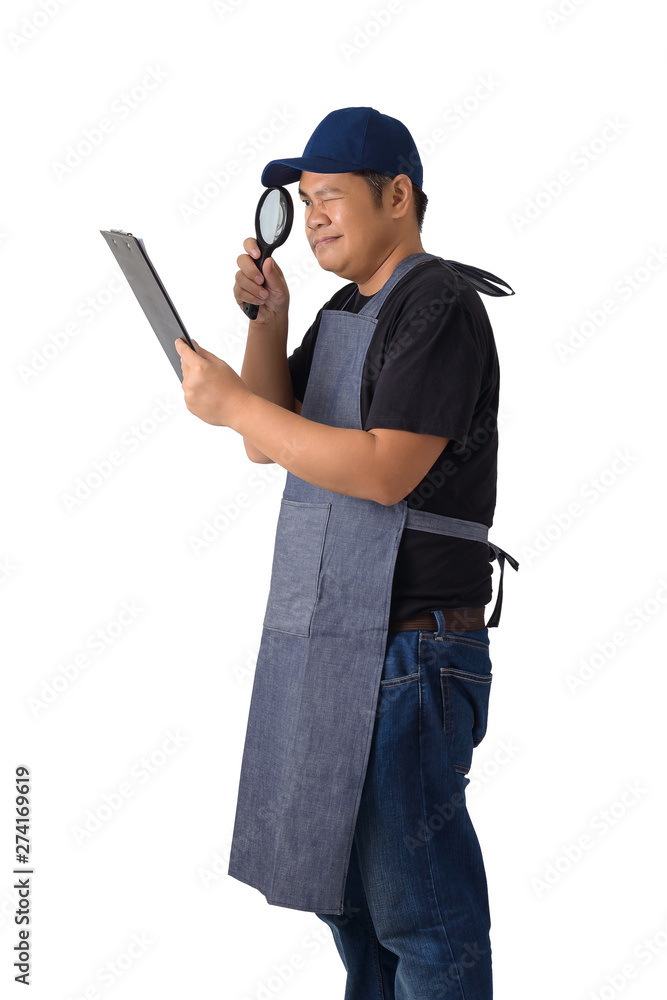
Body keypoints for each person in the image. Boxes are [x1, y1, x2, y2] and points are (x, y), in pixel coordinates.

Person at [175, 106, 518, 1000]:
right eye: (304, 202)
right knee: (354, 911)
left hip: (408, 652)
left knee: (423, 923)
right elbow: (269, 438)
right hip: (332, 642)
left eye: (329, 197)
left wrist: (233, 406)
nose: (315, 215)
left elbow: (381, 470)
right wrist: (267, 320)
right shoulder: (342, 310)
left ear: (396, 197)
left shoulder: (435, 305)